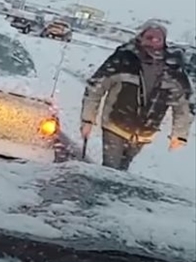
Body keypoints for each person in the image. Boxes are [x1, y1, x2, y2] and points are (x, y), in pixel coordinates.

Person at [80, 20, 194, 171]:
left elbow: (183, 103)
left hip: (145, 132)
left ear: (164, 42)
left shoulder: (172, 69)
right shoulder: (124, 59)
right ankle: (106, 191)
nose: (153, 42)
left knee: (122, 168)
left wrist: (179, 134)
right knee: (111, 168)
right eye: (149, 37)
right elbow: (96, 87)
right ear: (140, 38)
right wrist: (88, 120)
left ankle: (111, 192)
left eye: (158, 39)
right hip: (115, 125)